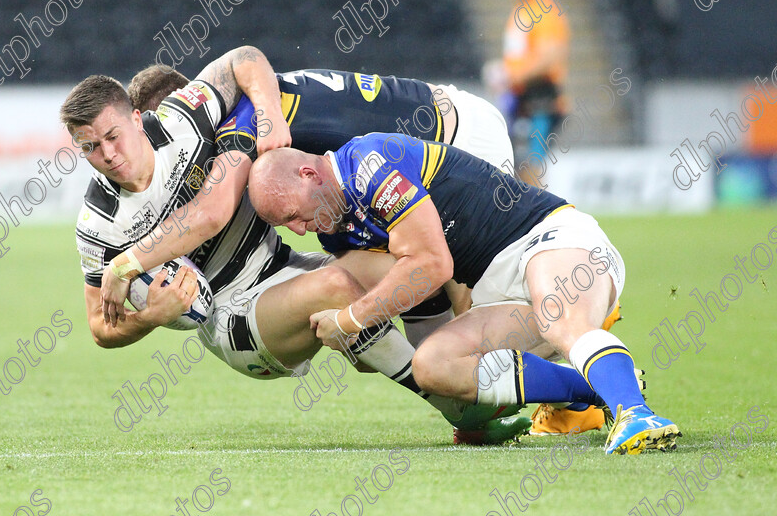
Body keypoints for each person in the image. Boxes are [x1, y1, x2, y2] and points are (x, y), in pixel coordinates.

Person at [123, 58, 617, 438]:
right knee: (436, 347)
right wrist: (362, 324)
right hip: (409, 153)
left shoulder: (236, 127)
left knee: (478, 302)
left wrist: (128, 263)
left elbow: (210, 210)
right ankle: (561, 376)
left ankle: (584, 365)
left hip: (456, 132)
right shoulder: (252, 112)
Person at [61, 47, 526, 445]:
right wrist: (149, 316)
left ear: (138, 121)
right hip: (235, 314)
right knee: (340, 289)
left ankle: (522, 351)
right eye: (90, 148)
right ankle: (461, 406)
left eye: (112, 137)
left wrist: (267, 114)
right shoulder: (98, 223)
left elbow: (245, 58)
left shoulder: (188, 120)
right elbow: (100, 326)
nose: (107, 155)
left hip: (287, 264)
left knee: (420, 270)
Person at [246, 134, 680, 455]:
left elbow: (432, 264)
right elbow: (426, 290)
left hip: (547, 237)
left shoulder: (367, 162)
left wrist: (351, 319)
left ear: (308, 174)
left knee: (559, 320)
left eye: (293, 215)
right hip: (496, 290)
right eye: (289, 227)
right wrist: (359, 342)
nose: (299, 229)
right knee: (434, 366)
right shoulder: (338, 232)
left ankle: (637, 415)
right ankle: (595, 390)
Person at [482, 0, 569, 188]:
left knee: (531, 164)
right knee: (519, 166)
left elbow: (550, 56)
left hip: (540, 99)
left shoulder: (543, 11)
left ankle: (546, 220)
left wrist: (511, 76)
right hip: (520, 100)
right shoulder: (519, 12)